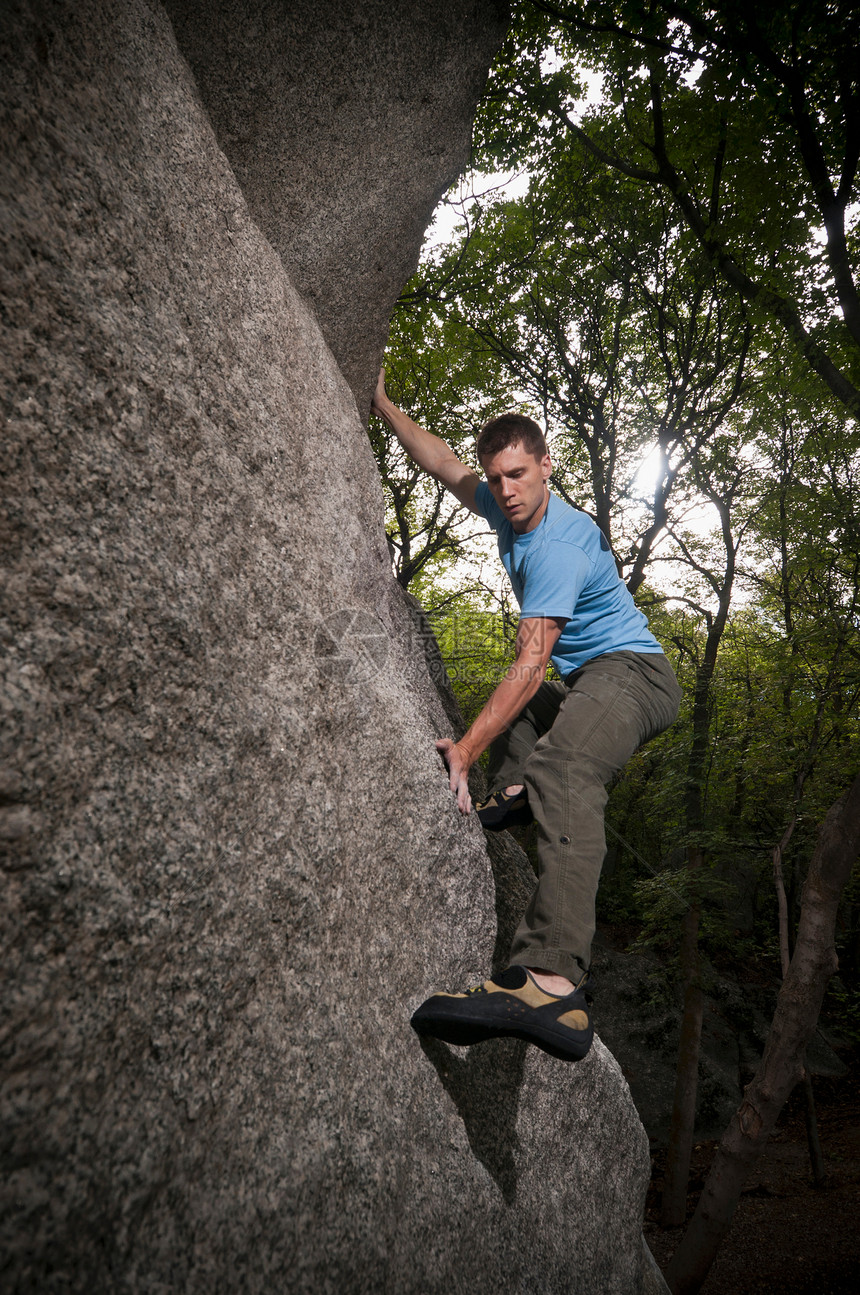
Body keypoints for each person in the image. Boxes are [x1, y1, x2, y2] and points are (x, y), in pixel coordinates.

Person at [371, 370, 681, 1062]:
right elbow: (443, 462)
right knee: (521, 709)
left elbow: (533, 661)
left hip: (635, 675)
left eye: (518, 473)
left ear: (546, 467)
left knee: (564, 761)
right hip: (588, 677)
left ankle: (551, 980)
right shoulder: (502, 502)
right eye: (497, 478)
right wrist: (385, 403)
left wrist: (466, 751)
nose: (505, 489)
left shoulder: (558, 545)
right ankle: (517, 791)